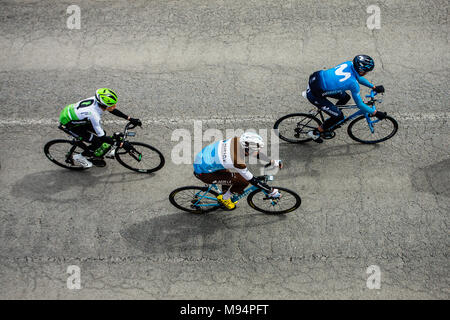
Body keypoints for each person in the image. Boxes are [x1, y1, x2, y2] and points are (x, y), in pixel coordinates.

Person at [306, 55, 386, 143]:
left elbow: (358, 78)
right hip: (315, 95)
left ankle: (333, 113)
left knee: (345, 97)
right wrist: (375, 113)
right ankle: (315, 133)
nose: (367, 73)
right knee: (339, 117)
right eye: (366, 71)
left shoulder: (349, 64)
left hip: (316, 80)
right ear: (362, 71)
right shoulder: (353, 84)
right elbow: (360, 105)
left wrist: (373, 87)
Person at [193, 132, 282, 210]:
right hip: (204, 174)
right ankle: (225, 198)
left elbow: (253, 153)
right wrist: (271, 191)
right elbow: (251, 180)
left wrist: (272, 162)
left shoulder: (237, 140)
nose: (257, 151)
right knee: (243, 181)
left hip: (204, 160)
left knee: (230, 175)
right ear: (247, 148)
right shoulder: (237, 161)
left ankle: (225, 192)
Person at [59, 88, 142, 167]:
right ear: (104, 106)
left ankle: (94, 152)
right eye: (112, 105)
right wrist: (121, 144)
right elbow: (101, 137)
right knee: (97, 141)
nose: (115, 106)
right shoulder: (94, 115)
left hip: (72, 114)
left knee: (103, 134)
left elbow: (112, 110)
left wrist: (130, 118)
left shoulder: (98, 100)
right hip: (70, 125)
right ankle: (80, 157)